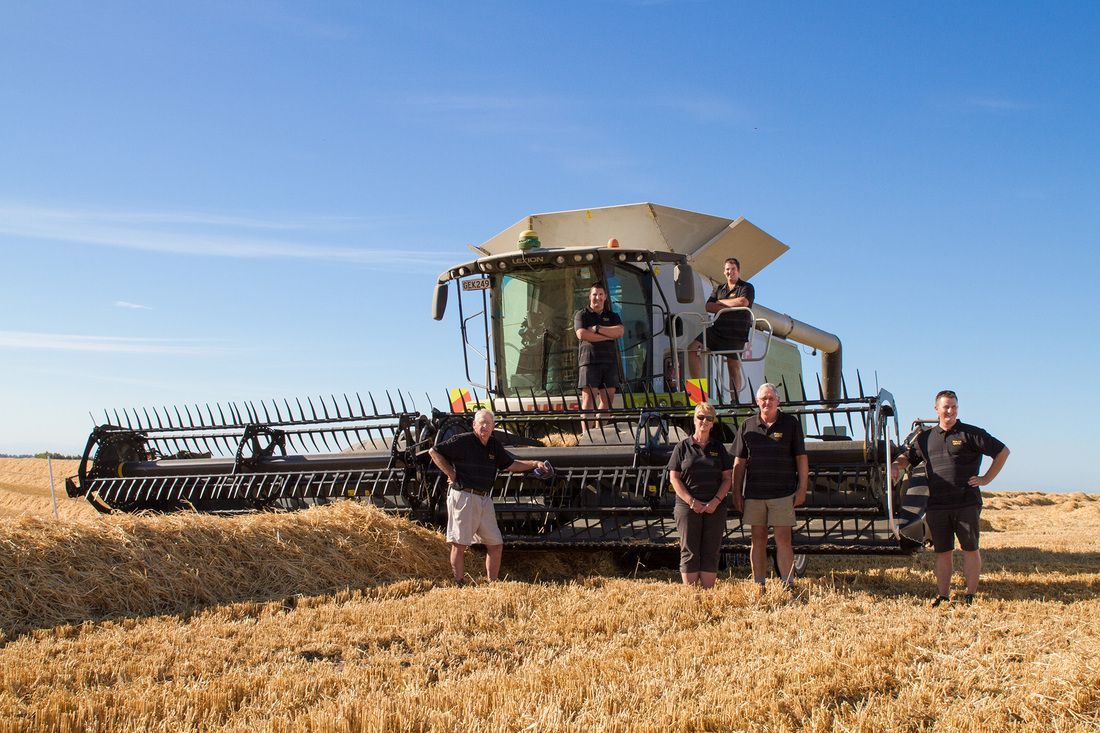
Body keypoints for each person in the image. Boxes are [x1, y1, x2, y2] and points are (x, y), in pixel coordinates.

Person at [891, 390, 1009, 606]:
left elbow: (1002, 451)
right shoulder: (925, 439)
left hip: (966, 502)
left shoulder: (971, 433)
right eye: (946, 406)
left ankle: (970, 595)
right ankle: (943, 595)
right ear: (936, 409)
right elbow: (907, 457)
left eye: (954, 406)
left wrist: (985, 479)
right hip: (937, 505)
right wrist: (895, 465)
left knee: (970, 549)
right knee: (943, 552)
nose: (950, 411)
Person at [428, 408, 550, 586]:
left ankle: (492, 583)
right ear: (474, 425)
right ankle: (459, 582)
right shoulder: (463, 441)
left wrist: (534, 463)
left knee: (495, 544)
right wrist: (452, 474)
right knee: (459, 543)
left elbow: (510, 464)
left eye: (488, 423)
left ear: (493, 427)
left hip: (485, 499)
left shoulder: (493, 445)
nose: (484, 426)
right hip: (464, 497)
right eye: (481, 423)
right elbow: (434, 451)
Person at [732, 382, 808, 590]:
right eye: (763, 399)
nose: (767, 402)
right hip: (755, 494)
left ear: (778, 401)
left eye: (771, 398)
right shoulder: (747, 426)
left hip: (783, 494)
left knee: (784, 539)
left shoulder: (790, 424)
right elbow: (739, 462)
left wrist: (802, 488)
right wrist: (736, 492)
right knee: (758, 540)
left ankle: (788, 583)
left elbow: (801, 457)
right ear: (757, 402)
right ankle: (759, 585)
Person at [667, 402, 734, 588]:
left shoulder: (718, 448)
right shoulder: (682, 447)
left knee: (711, 550)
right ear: (694, 420)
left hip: (715, 507)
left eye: (709, 418)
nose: (704, 421)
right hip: (687, 507)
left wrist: (715, 501)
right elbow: (674, 478)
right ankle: (692, 595)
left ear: (713, 423)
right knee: (689, 549)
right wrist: (691, 501)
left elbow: (727, 478)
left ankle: (707, 593)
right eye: (700, 417)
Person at [688, 257, 755, 400]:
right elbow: (708, 306)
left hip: (736, 333)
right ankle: (697, 395)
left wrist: (720, 302)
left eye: (733, 269)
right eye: (727, 269)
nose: (730, 272)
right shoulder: (719, 288)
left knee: (733, 367)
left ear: (738, 271)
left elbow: (743, 301)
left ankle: (734, 401)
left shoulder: (746, 287)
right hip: (717, 330)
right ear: (724, 272)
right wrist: (731, 304)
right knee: (692, 349)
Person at [573, 282, 625, 428]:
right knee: (588, 400)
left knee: (607, 400)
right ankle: (587, 437)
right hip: (589, 361)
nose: (598, 297)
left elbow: (620, 332)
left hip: (609, 362)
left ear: (605, 297)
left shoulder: (613, 316)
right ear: (590, 296)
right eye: (595, 294)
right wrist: (608, 335)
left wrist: (597, 329)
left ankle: (599, 435)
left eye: (601, 294)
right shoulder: (581, 314)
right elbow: (581, 334)